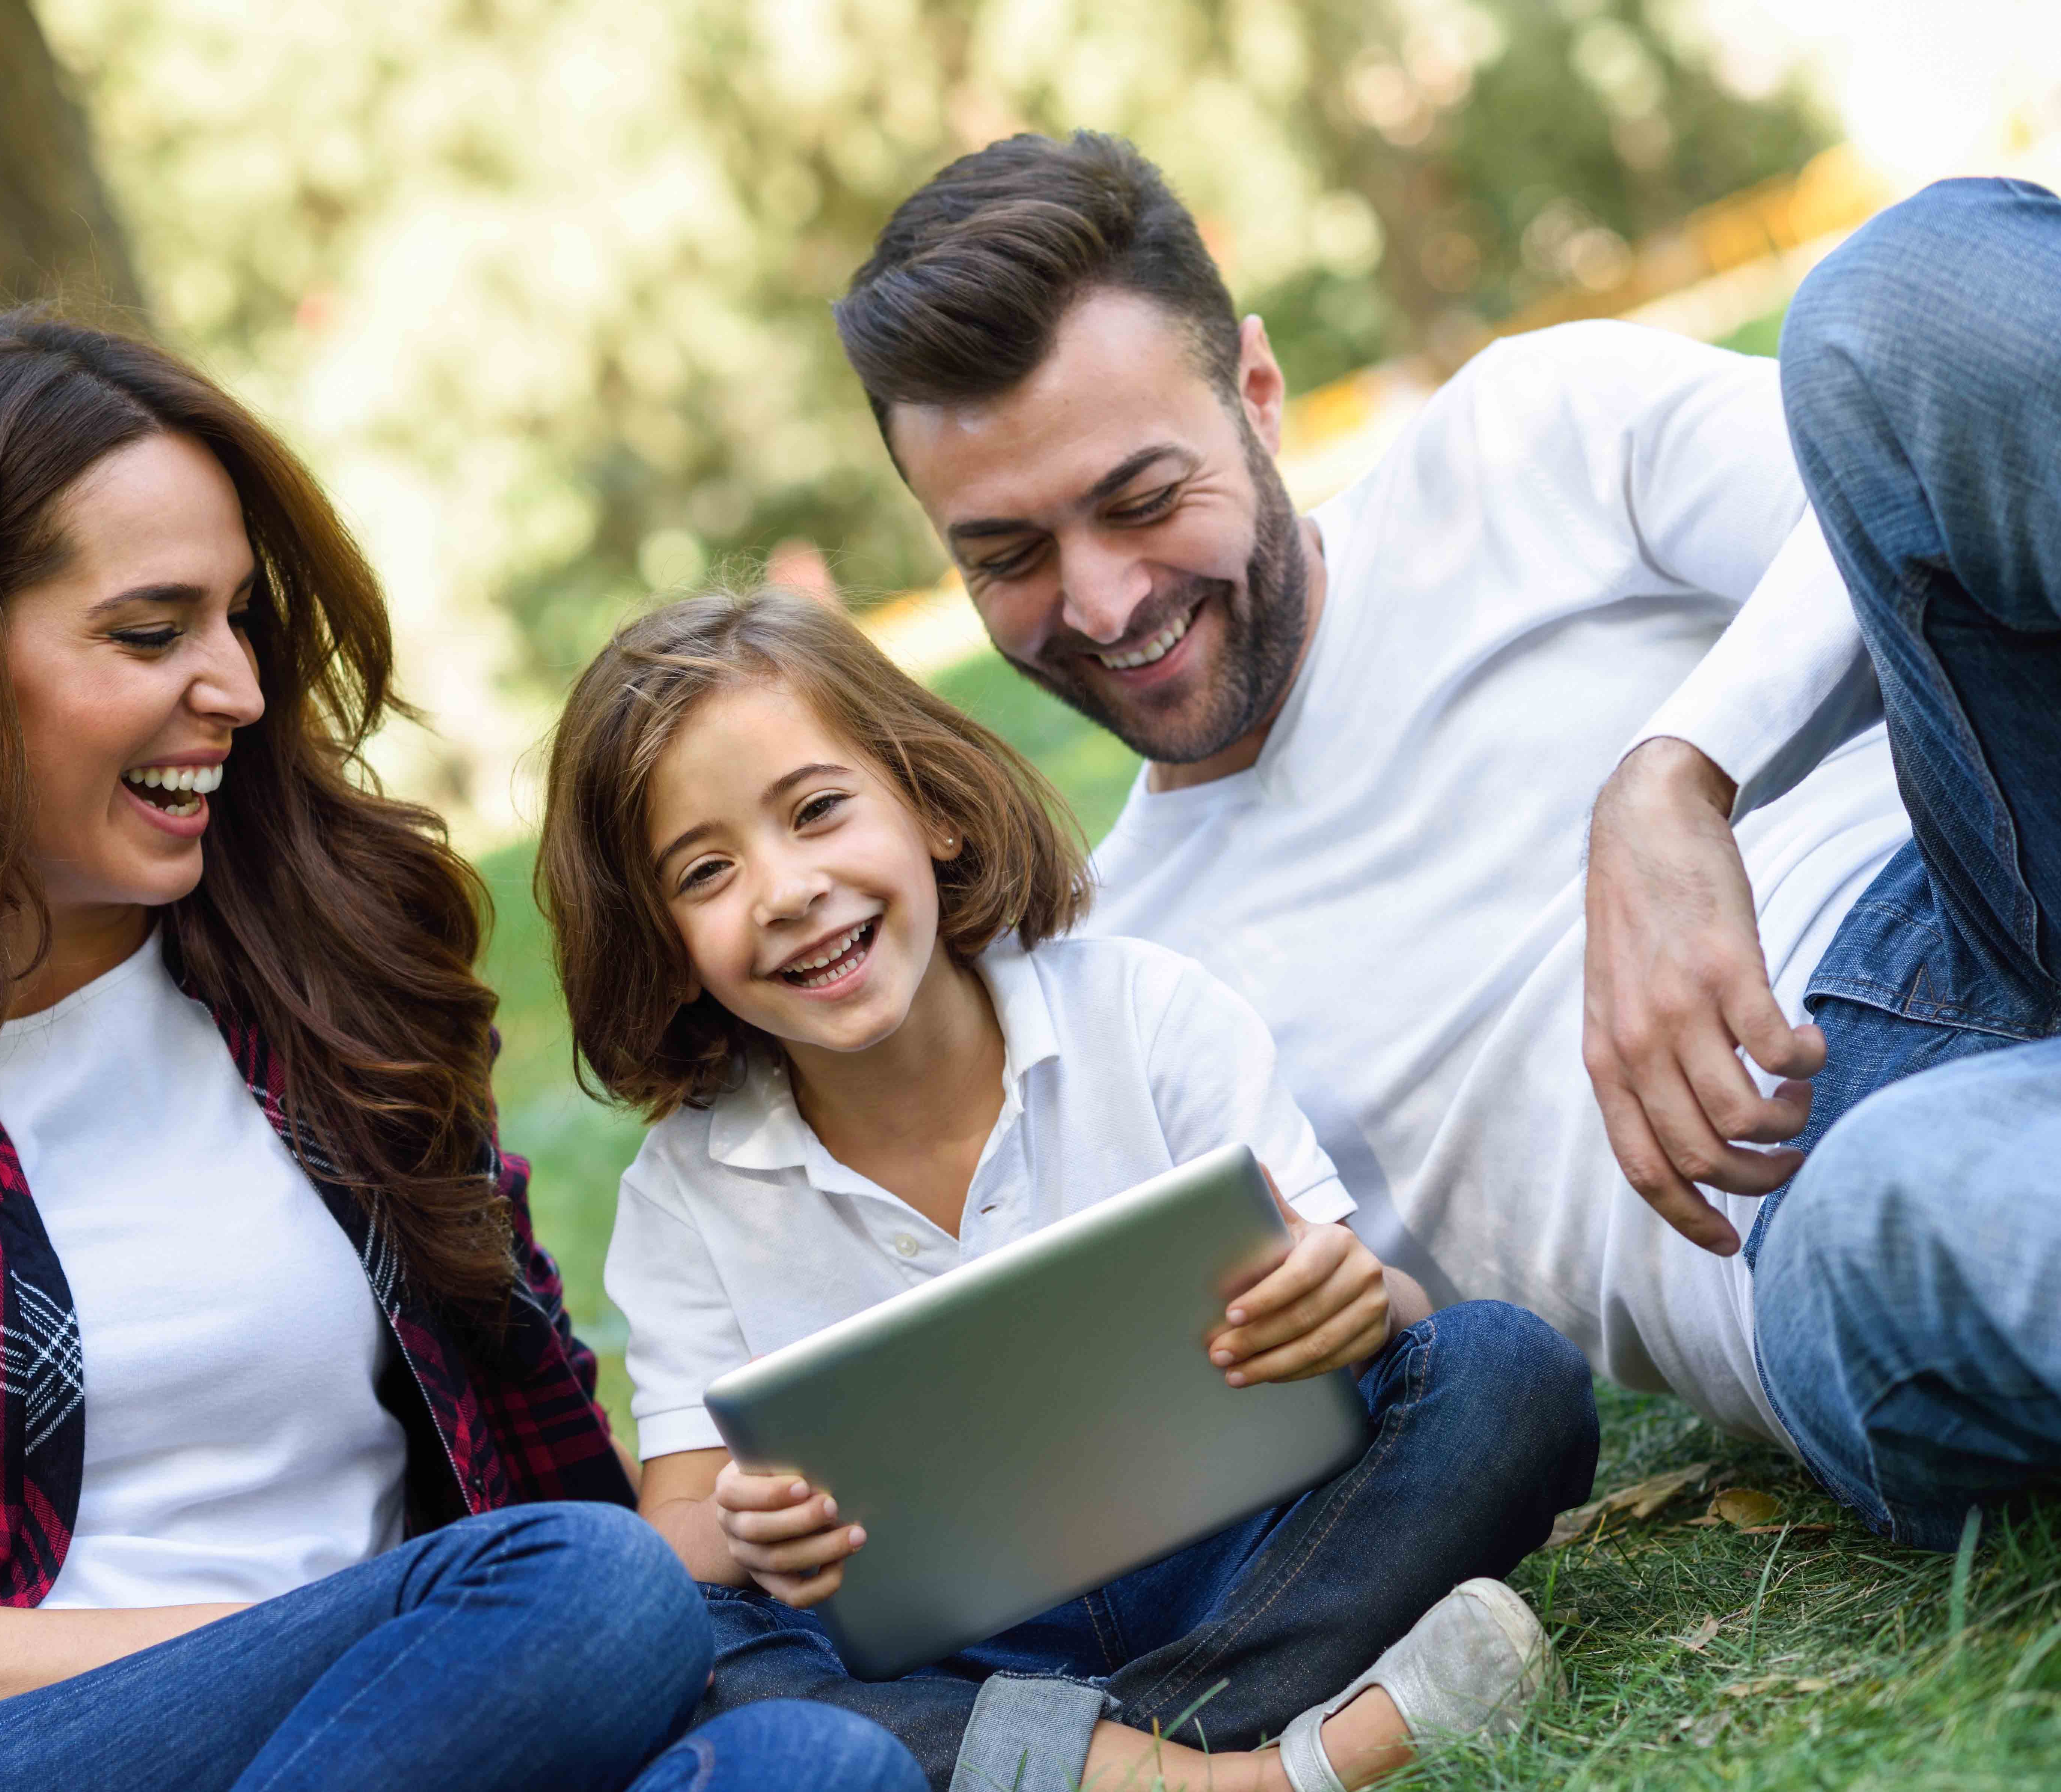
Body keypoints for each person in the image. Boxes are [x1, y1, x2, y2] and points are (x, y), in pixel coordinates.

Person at [0, 314, 919, 1792]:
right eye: (151, 632)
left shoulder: (333, 965)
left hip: (427, 1726)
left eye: (237, 623)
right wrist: (356, 1632)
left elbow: (557, 1488)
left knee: (804, 1761)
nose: (239, 690)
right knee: (574, 1588)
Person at [828, 132, 2059, 1547]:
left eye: (1143, 500)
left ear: (1258, 392)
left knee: (1912, 289)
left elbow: (1916, 473)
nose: (1102, 604)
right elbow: (1287, 1381)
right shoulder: (1117, 977)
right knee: (1904, 1207)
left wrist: (1675, 774)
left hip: (1986, 859)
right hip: (1829, 1203)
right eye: (1008, 556)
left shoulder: (1524, 435)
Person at [534, 589, 1597, 1792]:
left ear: (928, 806)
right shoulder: (683, 1191)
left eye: (819, 810)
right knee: (703, 1650)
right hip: (953, 1640)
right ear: (661, 938)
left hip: (1257, 1552)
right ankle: (1247, 1771)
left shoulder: (1145, 1011)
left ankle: (1059, 1764)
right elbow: (683, 1527)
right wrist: (742, 1521)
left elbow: (1365, 1305)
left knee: (1501, 1372)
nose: (784, 891)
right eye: (707, 871)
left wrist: (1360, 1297)